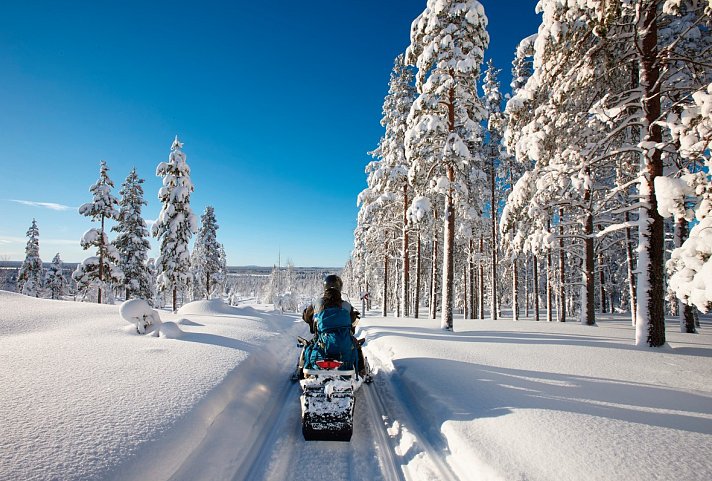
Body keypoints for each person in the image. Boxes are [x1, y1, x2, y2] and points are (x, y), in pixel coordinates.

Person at [301, 274, 366, 377]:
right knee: (356, 346)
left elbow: (306, 316)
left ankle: (302, 370)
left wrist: (311, 321)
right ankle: (362, 371)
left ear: (325, 287)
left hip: (322, 339)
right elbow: (353, 320)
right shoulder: (346, 305)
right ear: (339, 287)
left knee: (308, 346)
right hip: (343, 339)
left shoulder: (318, 303)